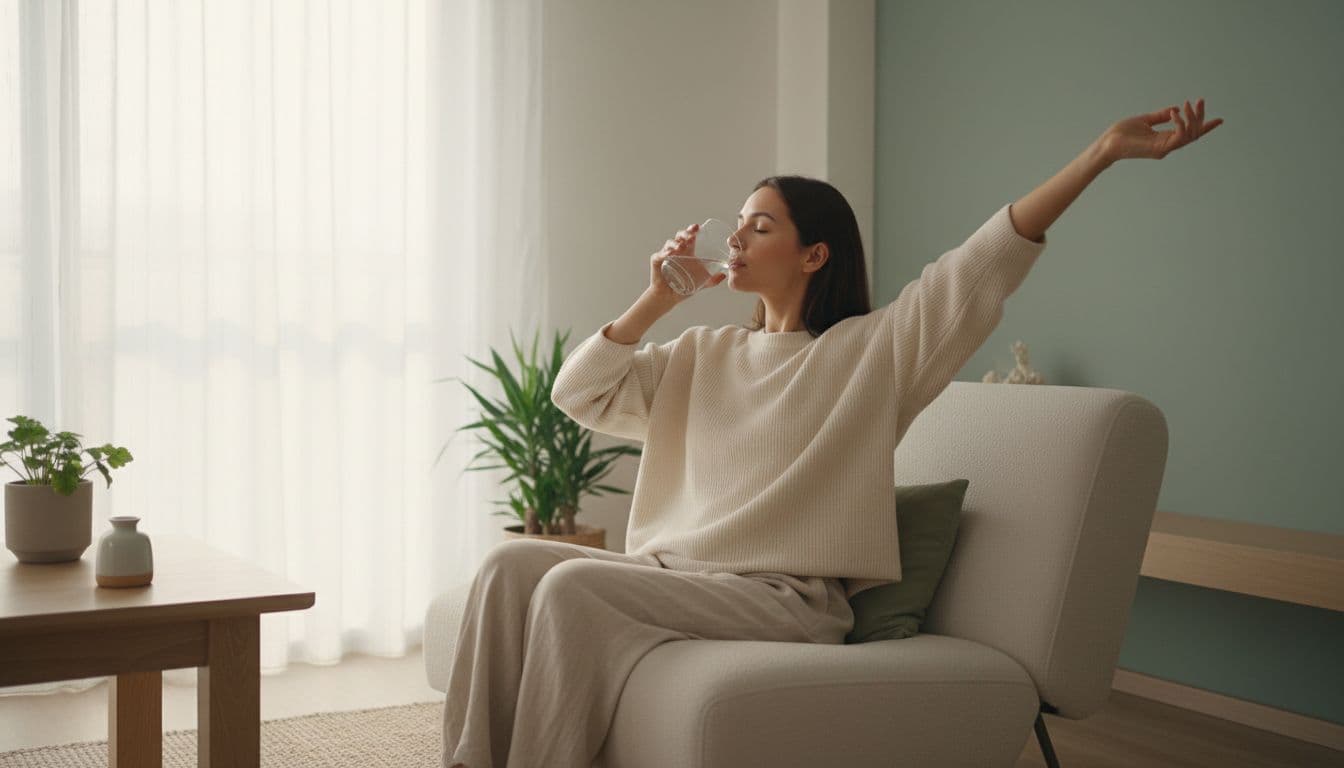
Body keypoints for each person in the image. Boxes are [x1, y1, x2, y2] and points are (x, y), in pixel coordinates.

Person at [442, 99, 1222, 768]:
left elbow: (982, 265)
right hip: (683, 576)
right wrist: (656, 302)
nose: (735, 240)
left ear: (813, 253)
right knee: (511, 563)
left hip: (787, 600)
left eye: (759, 226)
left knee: (575, 583)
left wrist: (1100, 154)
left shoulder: (871, 353)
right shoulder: (702, 354)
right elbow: (578, 393)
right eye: (738, 224)